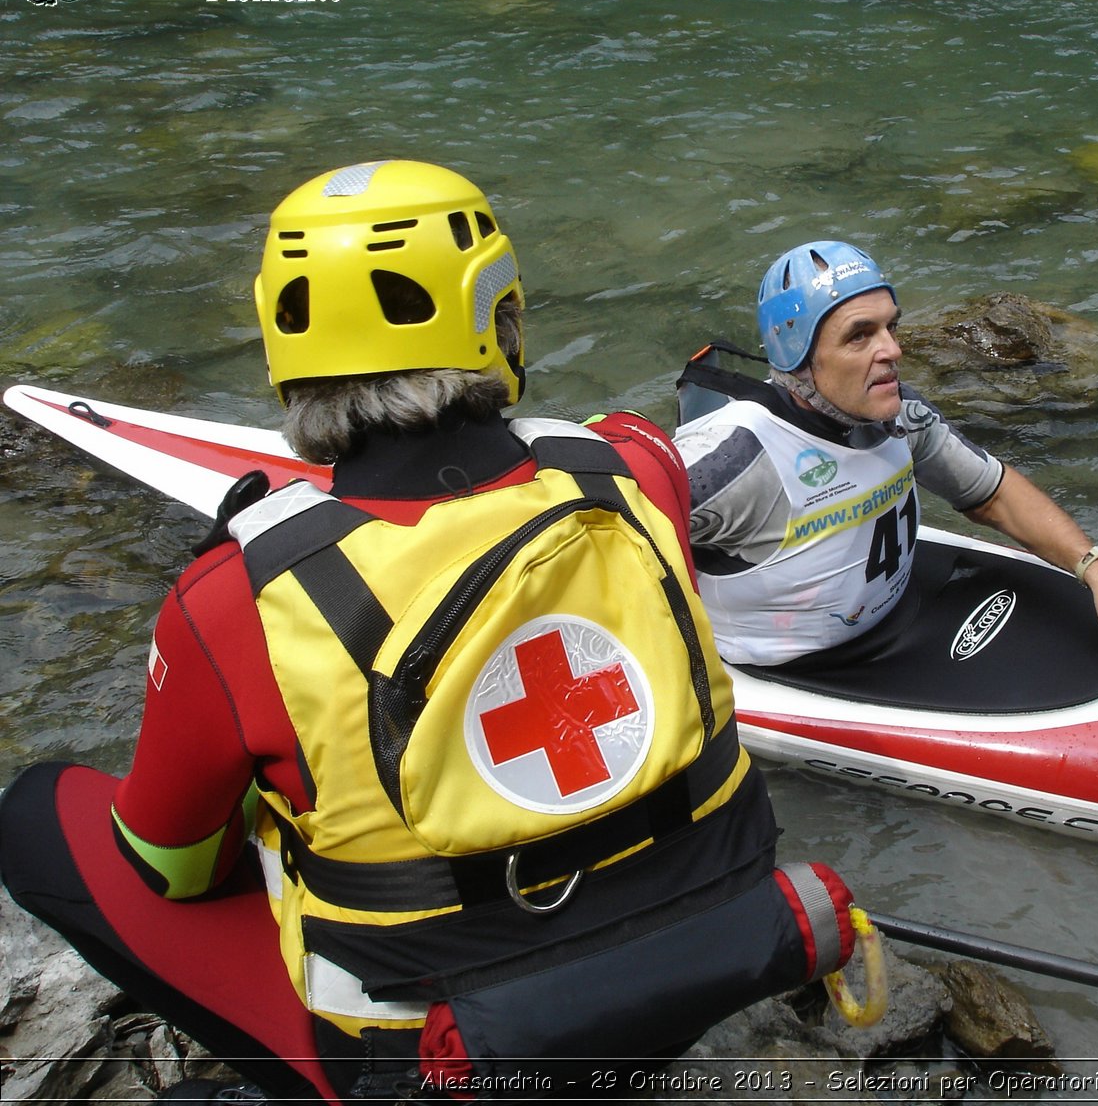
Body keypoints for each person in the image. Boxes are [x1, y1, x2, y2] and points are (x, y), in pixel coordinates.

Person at [0, 163, 856, 1103]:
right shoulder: (639, 472)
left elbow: (174, 868)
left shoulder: (234, 599)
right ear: (501, 316)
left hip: (458, 1056)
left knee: (41, 815)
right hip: (710, 960)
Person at [674, 239, 1098, 673]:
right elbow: (608, 543)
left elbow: (993, 495)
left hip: (903, 618)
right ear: (797, 358)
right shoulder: (733, 459)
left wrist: (1097, 570)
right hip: (793, 667)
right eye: (860, 335)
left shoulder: (901, 414)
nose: (892, 349)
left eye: (890, 327)